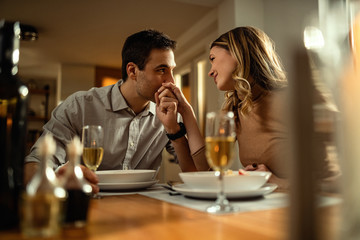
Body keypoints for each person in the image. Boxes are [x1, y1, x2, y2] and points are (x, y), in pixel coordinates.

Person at [156, 26, 340, 190]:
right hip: (264, 211)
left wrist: (279, 182)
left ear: (238, 53)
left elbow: (337, 180)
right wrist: (186, 112)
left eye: (213, 59)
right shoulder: (235, 108)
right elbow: (206, 170)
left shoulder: (298, 97)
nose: (210, 71)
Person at [24, 29, 195, 193]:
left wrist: (176, 129)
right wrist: (56, 179)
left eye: (172, 71)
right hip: (90, 202)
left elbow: (195, 174)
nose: (171, 81)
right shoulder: (79, 106)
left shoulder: (168, 114)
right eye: (161, 70)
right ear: (133, 71)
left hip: (145, 206)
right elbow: (33, 166)